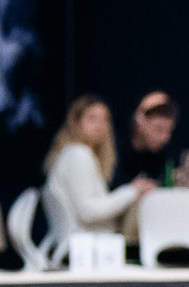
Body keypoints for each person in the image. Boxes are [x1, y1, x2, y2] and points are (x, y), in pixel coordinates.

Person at [43, 93, 155, 233]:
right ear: (76, 122)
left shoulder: (74, 154)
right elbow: (88, 211)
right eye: (92, 118)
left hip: (88, 238)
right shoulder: (79, 154)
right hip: (88, 240)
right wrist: (133, 191)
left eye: (105, 119)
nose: (99, 125)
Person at [121, 92, 180, 188]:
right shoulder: (115, 150)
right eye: (159, 129)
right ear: (139, 121)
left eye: (169, 131)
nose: (165, 138)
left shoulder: (166, 154)